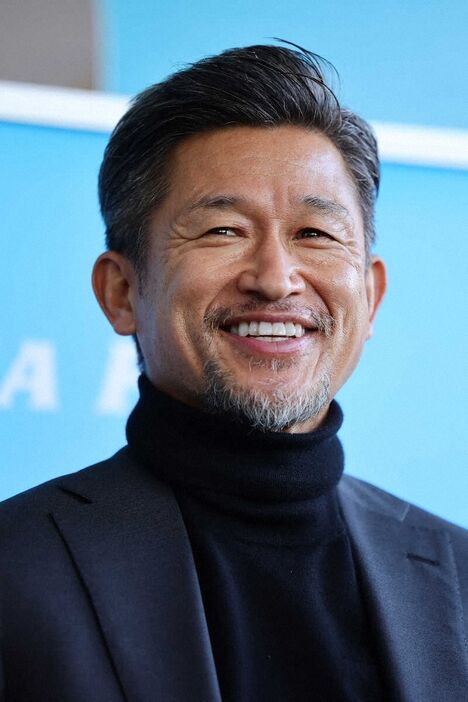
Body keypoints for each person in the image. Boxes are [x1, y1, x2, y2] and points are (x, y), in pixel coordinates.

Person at [0, 43, 467, 702]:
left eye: (315, 234)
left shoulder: (457, 576)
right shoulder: (16, 569)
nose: (275, 279)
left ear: (371, 297)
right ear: (121, 292)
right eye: (223, 231)